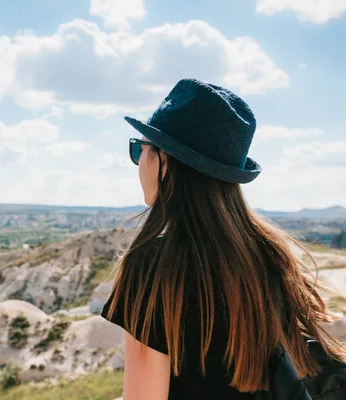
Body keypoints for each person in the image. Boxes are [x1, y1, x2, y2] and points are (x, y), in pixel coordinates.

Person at [100, 78, 346, 399]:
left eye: (139, 149)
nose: (138, 163)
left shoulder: (154, 266)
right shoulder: (268, 254)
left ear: (164, 161)